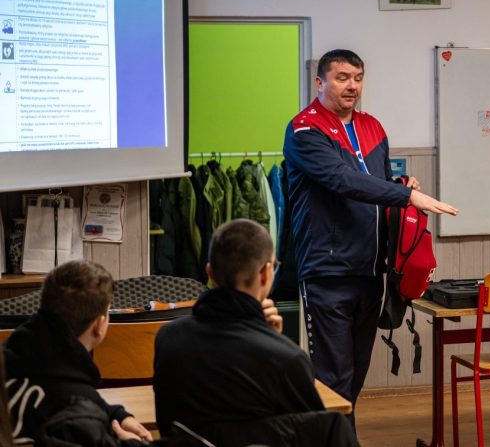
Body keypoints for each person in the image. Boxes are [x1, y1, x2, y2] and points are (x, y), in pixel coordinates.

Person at [283, 49, 458, 424]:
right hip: (328, 272)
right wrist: (406, 195)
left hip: (371, 271)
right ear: (320, 82)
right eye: (342, 77)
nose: (352, 86)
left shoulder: (372, 127)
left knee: (355, 375)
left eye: (358, 78)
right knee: (333, 379)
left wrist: (401, 184)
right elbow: (342, 180)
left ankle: (341, 437)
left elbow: (376, 184)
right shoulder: (304, 130)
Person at [153, 219, 357, 446]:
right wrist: (272, 341)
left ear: (209, 272)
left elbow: (170, 425)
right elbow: (312, 434)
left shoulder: (168, 339)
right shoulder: (287, 358)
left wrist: (263, 334)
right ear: (266, 273)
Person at [3, 260, 152, 445]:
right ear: (99, 325)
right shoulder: (79, 414)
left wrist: (116, 414)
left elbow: (57, 389)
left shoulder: (13, 356)